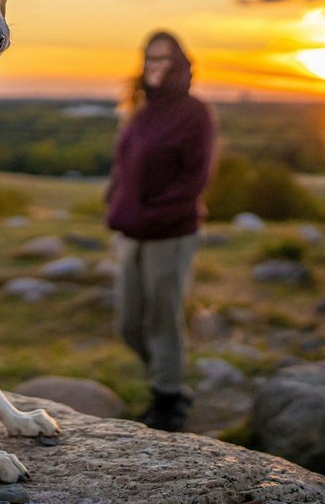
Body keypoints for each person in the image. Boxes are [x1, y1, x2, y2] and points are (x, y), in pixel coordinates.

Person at [106, 31, 218, 431]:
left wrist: (149, 216)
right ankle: (167, 379)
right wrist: (115, 204)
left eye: (164, 59)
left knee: (164, 317)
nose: (155, 67)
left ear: (180, 65)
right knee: (129, 324)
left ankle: (168, 400)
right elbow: (123, 168)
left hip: (171, 233)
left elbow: (195, 179)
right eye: (149, 59)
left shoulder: (194, 113)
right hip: (131, 232)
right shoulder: (141, 111)